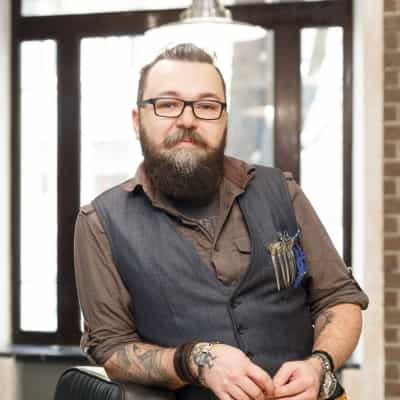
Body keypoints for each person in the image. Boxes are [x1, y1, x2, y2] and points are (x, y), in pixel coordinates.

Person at [74, 43, 369, 400]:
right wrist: (197, 361)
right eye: (167, 104)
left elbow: (339, 298)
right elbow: (112, 350)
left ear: (224, 119)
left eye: (207, 105)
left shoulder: (281, 190)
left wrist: (319, 364)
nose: (187, 119)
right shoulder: (100, 222)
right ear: (138, 121)